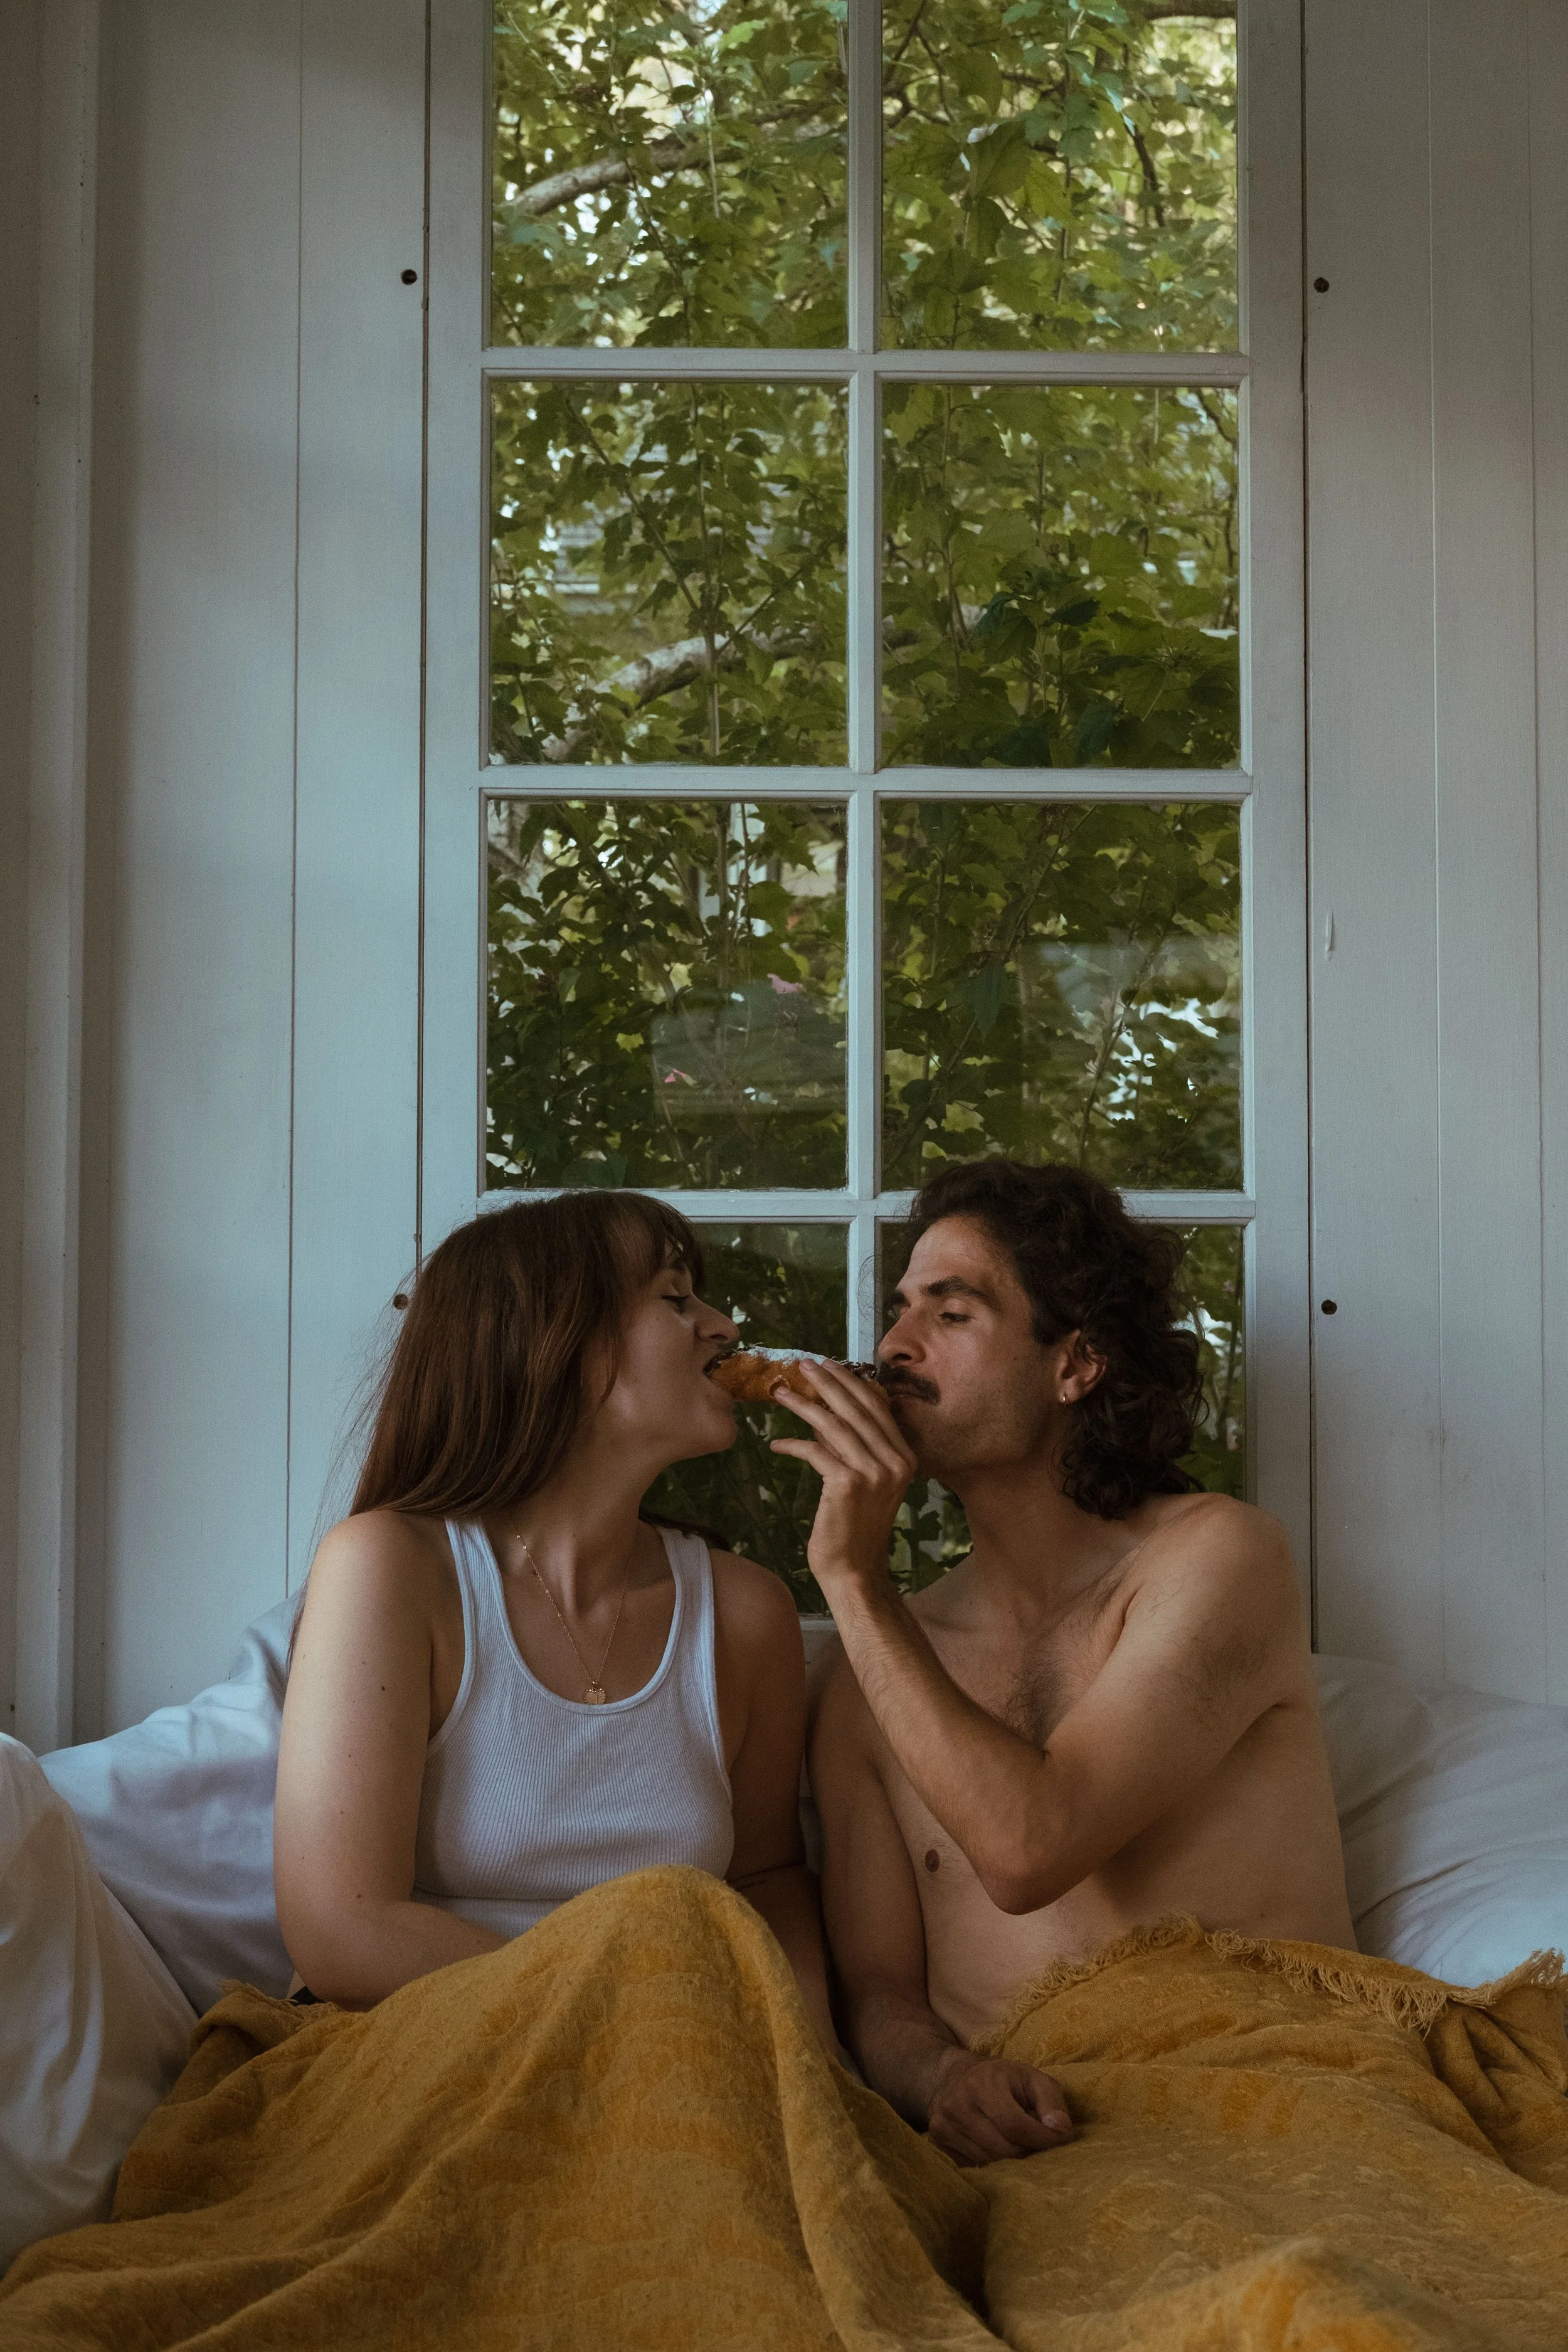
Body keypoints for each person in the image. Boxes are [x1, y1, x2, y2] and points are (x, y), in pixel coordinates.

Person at [792, 1159, 1355, 2167]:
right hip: (1033, 2150)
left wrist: (853, 1579)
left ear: (1076, 1364)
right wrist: (943, 2077)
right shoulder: (864, 1678)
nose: (892, 1345)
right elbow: (879, 1993)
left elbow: (1030, 1847)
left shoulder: (1220, 1559)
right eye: (899, 1307)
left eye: (953, 1312)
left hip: (1275, 2101)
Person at [274, 1188, 835, 2043]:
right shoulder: (392, 1567)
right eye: (676, 1297)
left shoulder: (746, 1612)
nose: (723, 1326)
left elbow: (768, 1880)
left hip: (683, 2080)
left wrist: (807, 2061)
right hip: (426, 2051)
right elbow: (341, 1928)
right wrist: (632, 2023)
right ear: (555, 1342)